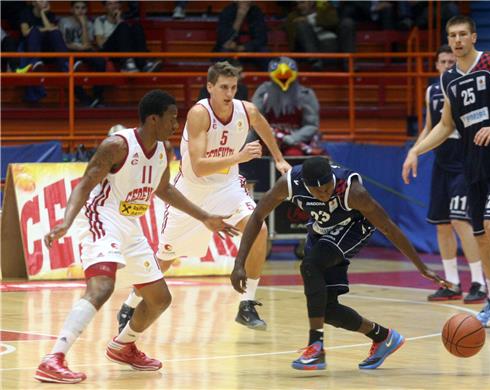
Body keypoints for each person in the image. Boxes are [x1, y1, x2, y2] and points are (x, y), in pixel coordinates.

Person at [35, 90, 238, 384]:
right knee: (103, 287)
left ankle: (123, 345)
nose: (176, 124)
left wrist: (205, 217)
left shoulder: (163, 151)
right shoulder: (117, 146)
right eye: (172, 117)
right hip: (101, 218)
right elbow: (85, 183)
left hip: (131, 225)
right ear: (154, 118)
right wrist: (65, 223)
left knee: (159, 299)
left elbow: (165, 190)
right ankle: (53, 358)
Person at [116, 61, 292, 333]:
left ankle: (247, 304)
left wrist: (279, 159)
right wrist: (240, 156)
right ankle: (129, 304)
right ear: (209, 87)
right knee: (165, 259)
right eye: (223, 87)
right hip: (191, 192)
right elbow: (198, 165)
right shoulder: (200, 113)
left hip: (228, 187)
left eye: (233, 87)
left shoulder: (247, 110)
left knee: (259, 229)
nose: (229, 93)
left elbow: (263, 125)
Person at [231, 157, 450, 370]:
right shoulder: (289, 183)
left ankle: (316, 346)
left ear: (332, 180)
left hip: (354, 227)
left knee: (311, 264)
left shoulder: (353, 192)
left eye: (327, 189)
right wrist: (239, 263)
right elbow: (258, 216)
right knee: (327, 309)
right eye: (317, 192)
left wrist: (421, 266)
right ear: (306, 185)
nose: (324, 194)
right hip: (321, 229)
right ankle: (384, 337)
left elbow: (388, 227)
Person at [402, 15, 490, 328]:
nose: (458, 40)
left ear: (473, 36)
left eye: (463, 34)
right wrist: (416, 150)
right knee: (481, 237)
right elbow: (445, 126)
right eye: (453, 35)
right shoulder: (448, 80)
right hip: (471, 166)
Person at [414, 44, 486, 304]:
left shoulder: (466, 88)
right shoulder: (431, 90)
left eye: (449, 61)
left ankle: (479, 281)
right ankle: (452, 282)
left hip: (464, 162)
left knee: (459, 220)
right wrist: (414, 151)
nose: (446, 65)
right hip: (441, 164)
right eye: (441, 61)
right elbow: (430, 127)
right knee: (442, 224)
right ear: (436, 65)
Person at [251, 56, 324, 156]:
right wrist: (268, 134)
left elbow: (311, 125)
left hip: (295, 141)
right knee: (252, 149)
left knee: (294, 155)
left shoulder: (306, 94)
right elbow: (254, 118)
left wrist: (294, 138)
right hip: (268, 138)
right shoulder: (263, 92)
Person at [58, 0, 106, 107]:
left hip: (84, 51)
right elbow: (62, 43)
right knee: (67, 69)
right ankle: (85, 99)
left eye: (83, 8)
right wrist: (75, 47)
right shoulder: (64, 21)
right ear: (71, 9)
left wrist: (83, 24)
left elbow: (87, 44)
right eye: (77, 8)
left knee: (100, 62)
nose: (80, 11)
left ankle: (97, 97)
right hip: (69, 51)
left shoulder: (89, 23)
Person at [94, 0, 160, 72]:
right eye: (110, 4)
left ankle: (143, 63)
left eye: (116, 3)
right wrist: (119, 26)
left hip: (124, 49)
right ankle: (126, 63)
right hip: (109, 51)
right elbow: (100, 44)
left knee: (137, 27)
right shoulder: (100, 20)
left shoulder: (124, 20)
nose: (114, 6)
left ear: (120, 5)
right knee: (123, 27)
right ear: (105, 7)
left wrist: (119, 20)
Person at [214, 1, 269, 70]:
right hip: (231, 48)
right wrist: (239, 18)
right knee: (222, 54)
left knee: (264, 53)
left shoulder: (256, 12)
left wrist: (245, 47)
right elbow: (223, 37)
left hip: (250, 48)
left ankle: (267, 79)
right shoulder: (227, 11)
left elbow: (262, 38)